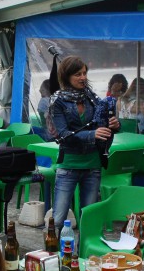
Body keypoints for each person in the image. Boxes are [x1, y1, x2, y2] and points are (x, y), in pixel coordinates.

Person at [47, 56, 120, 224]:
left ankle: (84, 251)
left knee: (88, 218)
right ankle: (54, 250)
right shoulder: (57, 101)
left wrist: (115, 124)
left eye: (84, 73)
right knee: (57, 219)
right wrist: (91, 134)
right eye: (77, 74)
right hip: (69, 166)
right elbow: (63, 134)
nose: (83, 78)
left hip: (93, 165)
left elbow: (102, 124)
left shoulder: (92, 98)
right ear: (66, 76)